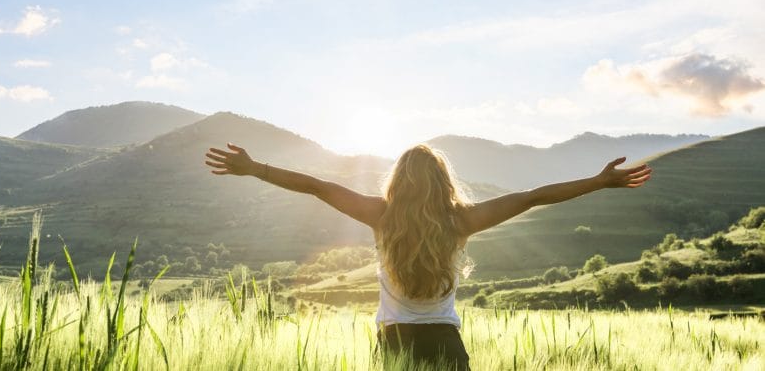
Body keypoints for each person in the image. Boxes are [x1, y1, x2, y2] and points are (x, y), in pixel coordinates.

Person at [205, 142, 652, 370]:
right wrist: (598, 181)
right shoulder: (462, 221)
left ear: (398, 181)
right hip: (446, 346)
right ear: (444, 182)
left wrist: (255, 168)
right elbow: (533, 196)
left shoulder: (379, 215)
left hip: (394, 346)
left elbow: (318, 187)